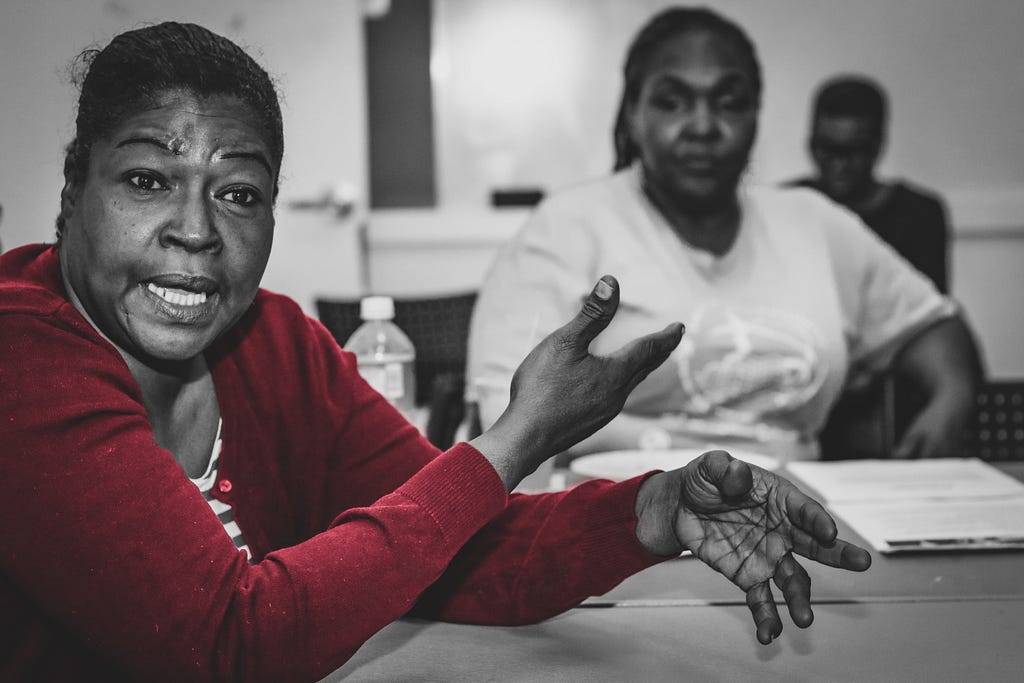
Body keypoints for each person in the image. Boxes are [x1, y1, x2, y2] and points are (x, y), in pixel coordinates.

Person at [0, 21, 872, 682]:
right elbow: (229, 639)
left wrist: (655, 508)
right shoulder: (21, 354)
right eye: (148, 179)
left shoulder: (276, 345)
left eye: (238, 192)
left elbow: (455, 547)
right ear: (75, 184)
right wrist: (512, 442)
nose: (195, 231)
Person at [467, 7, 981, 463]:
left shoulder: (813, 222)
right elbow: (501, 412)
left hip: (795, 516)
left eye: (729, 102)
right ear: (633, 115)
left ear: (757, 116)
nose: (703, 125)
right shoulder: (566, 225)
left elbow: (932, 326)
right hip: (619, 517)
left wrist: (951, 398)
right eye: (672, 102)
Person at [789, 75, 951, 293]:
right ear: (811, 143)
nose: (839, 165)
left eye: (852, 151)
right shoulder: (788, 207)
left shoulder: (918, 215)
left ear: (878, 147)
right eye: (827, 149)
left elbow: (929, 316)